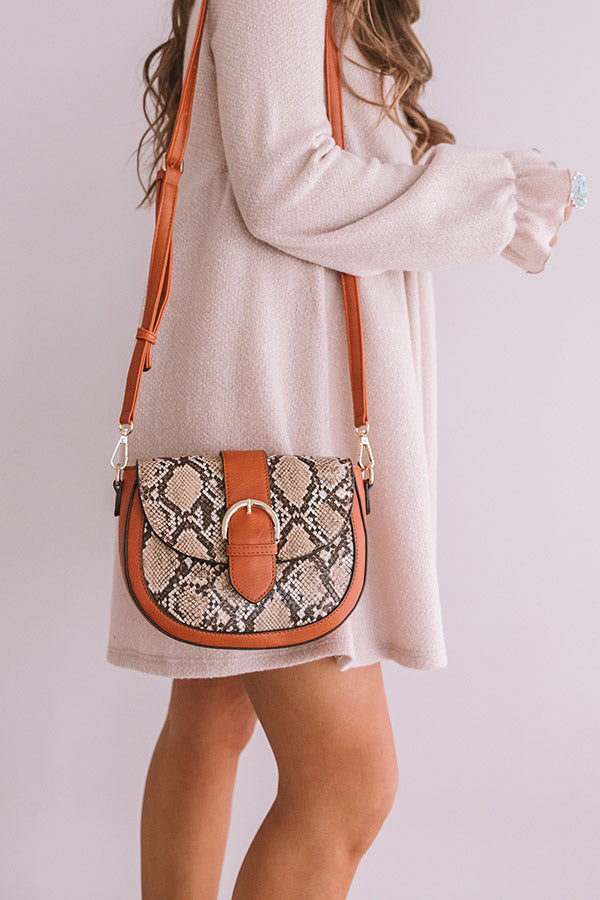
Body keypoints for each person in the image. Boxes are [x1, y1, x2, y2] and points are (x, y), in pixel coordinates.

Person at [106, 0, 584, 896]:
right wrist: (494, 197)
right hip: (269, 420)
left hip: (254, 409)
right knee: (349, 786)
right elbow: (285, 182)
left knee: (210, 724)